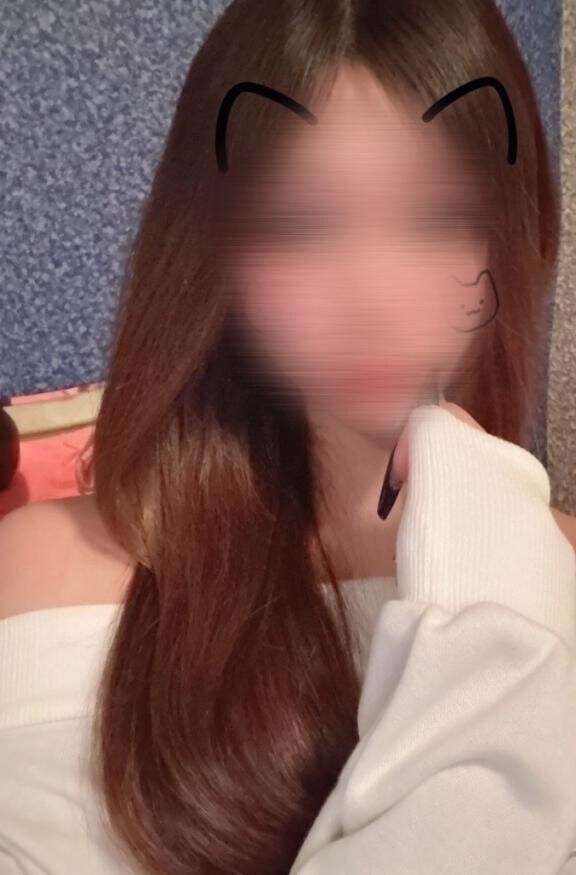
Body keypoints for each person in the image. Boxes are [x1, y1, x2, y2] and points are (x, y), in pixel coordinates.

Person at [1, 0, 576, 872]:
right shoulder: (52, 573)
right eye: (302, 222)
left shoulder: (556, 574)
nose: (373, 297)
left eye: (438, 217)